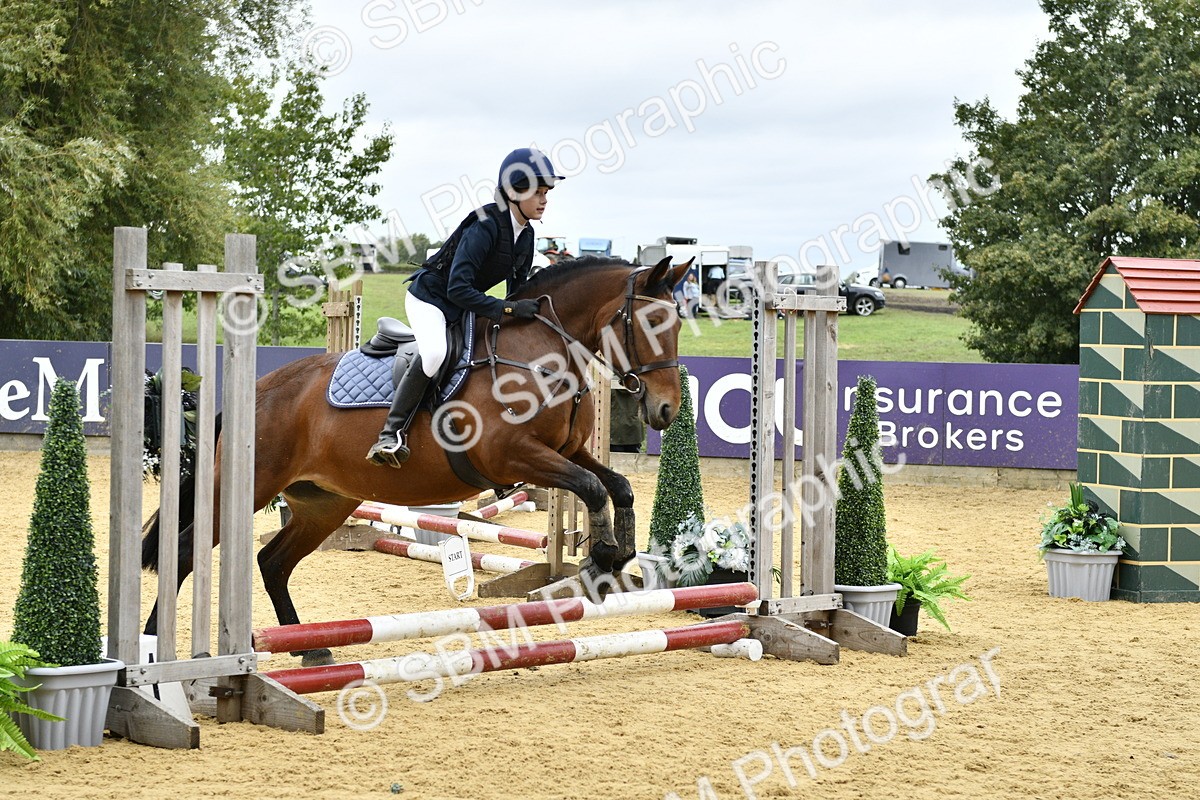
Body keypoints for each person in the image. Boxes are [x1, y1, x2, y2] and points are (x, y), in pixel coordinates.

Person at [366, 147, 564, 467]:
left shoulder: (526, 235)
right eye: (537, 192)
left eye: (546, 193)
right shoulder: (485, 225)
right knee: (434, 354)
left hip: (465, 304)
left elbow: (516, 291)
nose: (544, 200)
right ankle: (390, 433)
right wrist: (509, 310)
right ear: (514, 193)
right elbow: (458, 287)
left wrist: (524, 316)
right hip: (431, 298)